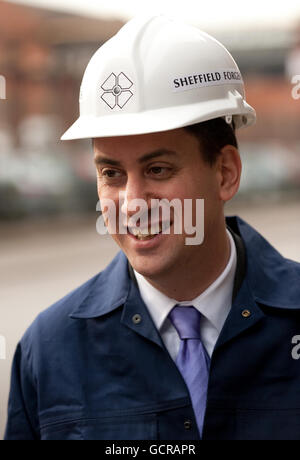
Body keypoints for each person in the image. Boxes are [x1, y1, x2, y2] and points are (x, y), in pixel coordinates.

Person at [5, 15, 300, 441]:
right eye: (112, 173)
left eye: (158, 169)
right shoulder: (50, 350)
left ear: (225, 173)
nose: (133, 203)